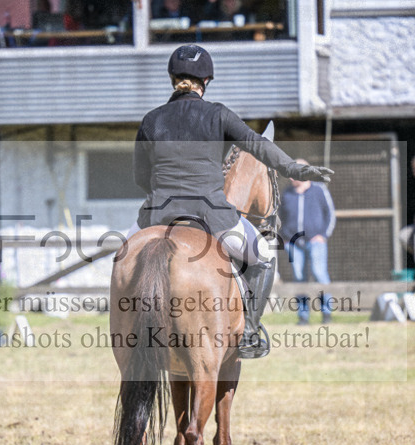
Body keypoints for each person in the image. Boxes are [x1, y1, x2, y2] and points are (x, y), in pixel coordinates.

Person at [132, 45, 333, 358]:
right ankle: (249, 331)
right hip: (212, 216)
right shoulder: (217, 114)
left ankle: (128, 333)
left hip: (157, 215)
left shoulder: (151, 120)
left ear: (173, 78)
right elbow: (257, 145)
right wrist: (297, 169)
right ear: (207, 80)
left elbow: (140, 177)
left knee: (124, 261)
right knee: (264, 255)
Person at [280, 159, 337, 324]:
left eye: (294, 174)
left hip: (316, 241)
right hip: (293, 244)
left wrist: (323, 234)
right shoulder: (286, 194)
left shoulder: (319, 190)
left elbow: (330, 214)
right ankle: (303, 317)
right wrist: (284, 238)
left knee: (320, 274)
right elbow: (279, 218)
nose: (290, 178)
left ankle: (327, 314)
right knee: (299, 277)